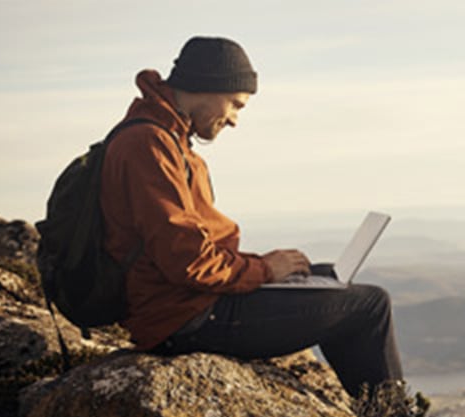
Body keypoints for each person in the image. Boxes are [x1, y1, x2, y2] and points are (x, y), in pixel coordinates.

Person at [99, 36, 403, 397]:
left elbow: (185, 250)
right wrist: (265, 270)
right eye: (235, 105)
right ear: (210, 86)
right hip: (183, 319)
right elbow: (188, 262)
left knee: (322, 278)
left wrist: (266, 267)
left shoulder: (165, 137)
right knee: (370, 305)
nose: (234, 121)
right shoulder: (150, 145)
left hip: (186, 304)